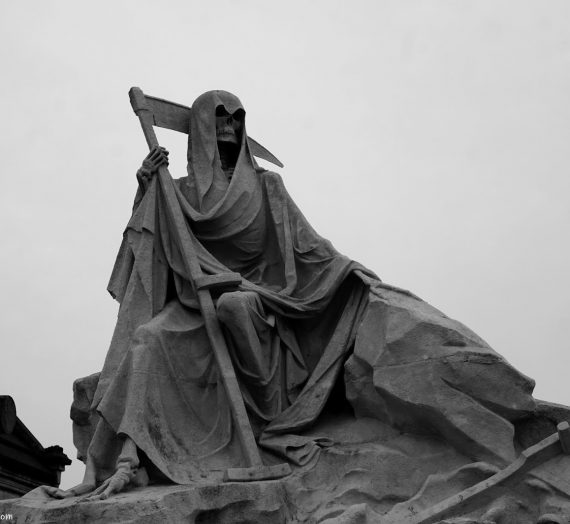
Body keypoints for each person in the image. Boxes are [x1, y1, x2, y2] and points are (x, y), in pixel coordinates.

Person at [46, 90, 538, 500]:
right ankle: (127, 459)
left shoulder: (268, 188)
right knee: (148, 339)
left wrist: (353, 274)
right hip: (196, 306)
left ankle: (267, 420)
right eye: (219, 120)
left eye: (238, 121)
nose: (231, 128)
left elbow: (309, 248)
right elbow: (147, 258)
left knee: (237, 305)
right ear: (199, 129)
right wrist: (147, 191)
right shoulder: (176, 193)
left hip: (260, 299)